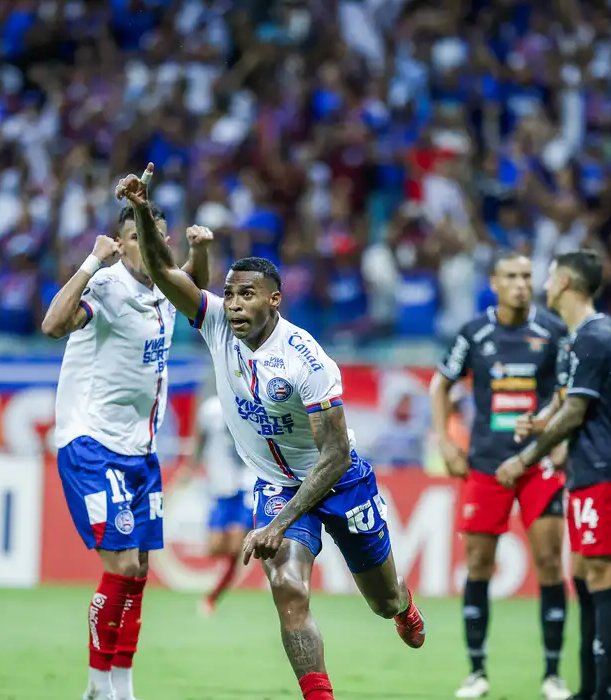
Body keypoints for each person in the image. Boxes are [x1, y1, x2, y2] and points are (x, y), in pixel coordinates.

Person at [119, 163, 426, 700]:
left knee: (382, 600)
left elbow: (333, 456)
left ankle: (402, 606)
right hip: (278, 485)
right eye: (230, 294)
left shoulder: (308, 360)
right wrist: (143, 210)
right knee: (288, 589)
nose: (235, 304)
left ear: (274, 300)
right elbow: (166, 273)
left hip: (340, 481)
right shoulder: (216, 323)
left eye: (248, 295)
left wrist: (277, 524)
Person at [40, 204, 211, 700]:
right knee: (120, 568)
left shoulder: (165, 286)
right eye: (135, 238)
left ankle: (122, 686)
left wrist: (200, 251)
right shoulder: (108, 284)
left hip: (142, 450)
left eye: (155, 238)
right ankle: (97, 687)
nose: (146, 247)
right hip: (92, 444)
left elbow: (195, 289)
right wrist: (92, 261)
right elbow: (53, 325)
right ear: (120, 245)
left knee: (138, 574)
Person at [429, 252, 572, 700]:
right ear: (494, 283)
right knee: (477, 564)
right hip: (487, 463)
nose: (520, 284)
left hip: (538, 462)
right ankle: (477, 672)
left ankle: (552, 674)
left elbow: (570, 392)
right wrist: (446, 442)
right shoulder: (475, 332)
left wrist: (562, 439)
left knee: (550, 562)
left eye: (527, 276)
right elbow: (440, 384)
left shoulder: (553, 331)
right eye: (511, 276)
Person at [506, 249, 611, 700]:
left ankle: (605, 692)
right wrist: (541, 421)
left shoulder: (595, 336)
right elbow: (565, 400)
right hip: (586, 470)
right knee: (582, 575)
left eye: (548, 277)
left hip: (607, 470)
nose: (543, 285)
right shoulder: (576, 338)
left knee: (603, 576)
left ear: (564, 282)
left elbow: (577, 410)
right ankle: (589, 688)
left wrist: (525, 458)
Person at [193, 391, 254, 616]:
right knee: (215, 547)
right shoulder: (209, 409)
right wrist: (190, 468)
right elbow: (199, 440)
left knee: (237, 547)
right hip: (221, 486)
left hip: (247, 484)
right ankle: (214, 591)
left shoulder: (251, 403)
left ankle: (212, 598)